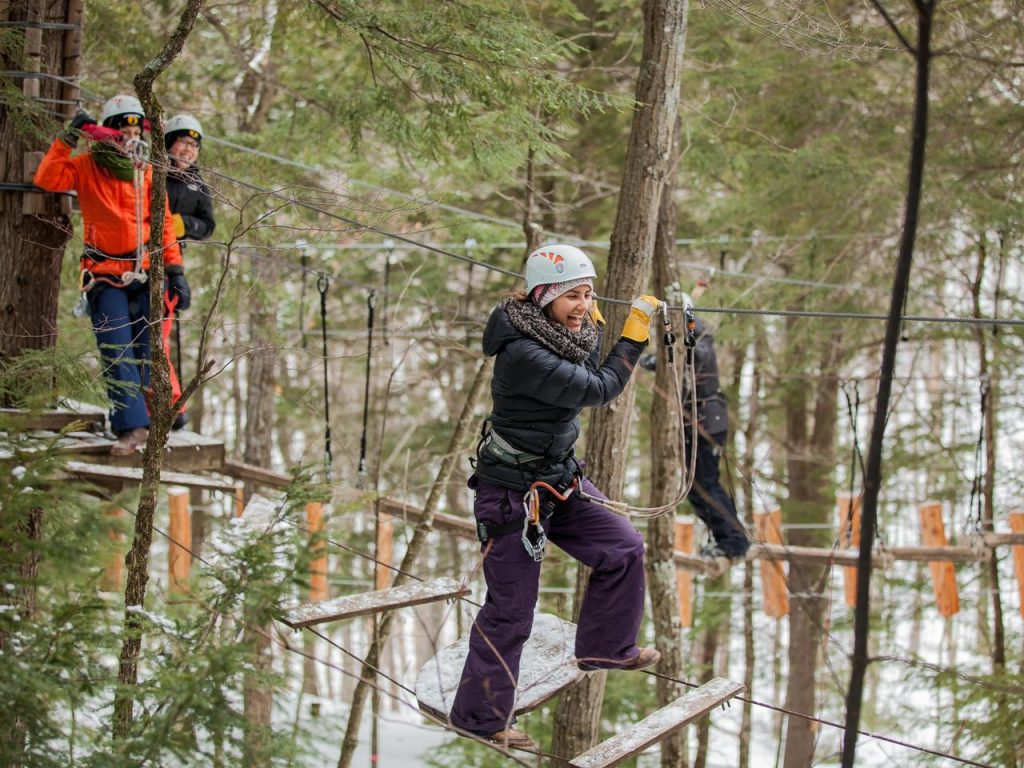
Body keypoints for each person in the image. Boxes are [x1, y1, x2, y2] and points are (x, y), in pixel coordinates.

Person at [449, 244, 662, 751]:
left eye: (587, 294)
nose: (583, 306)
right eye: (570, 296)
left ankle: (606, 649)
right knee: (511, 611)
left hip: (558, 482)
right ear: (541, 297)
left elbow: (586, 355)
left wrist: (597, 325)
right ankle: (478, 715)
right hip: (510, 496)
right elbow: (600, 387)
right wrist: (631, 337)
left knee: (624, 547)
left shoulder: (560, 333)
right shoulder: (523, 353)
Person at [34, 94, 190, 456]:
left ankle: (161, 416)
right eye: (122, 126)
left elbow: (163, 225)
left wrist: (176, 271)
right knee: (117, 350)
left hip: (148, 272)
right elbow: (48, 177)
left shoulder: (147, 171)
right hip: (104, 275)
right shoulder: (87, 166)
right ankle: (132, 426)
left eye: (135, 127)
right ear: (108, 130)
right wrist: (68, 138)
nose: (129, 135)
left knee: (150, 348)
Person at [640, 279, 750, 559]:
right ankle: (730, 538)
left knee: (704, 486)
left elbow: (678, 357)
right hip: (706, 419)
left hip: (704, 420)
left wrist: (646, 359)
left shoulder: (695, 340)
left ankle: (733, 540)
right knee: (699, 487)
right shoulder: (692, 336)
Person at [162, 113, 215, 430]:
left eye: (193, 146)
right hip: (143, 255)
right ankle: (163, 403)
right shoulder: (153, 174)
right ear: (170, 143)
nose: (188, 150)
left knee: (160, 333)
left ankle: (170, 404)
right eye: (183, 142)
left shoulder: (197, 184)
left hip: (172, 258)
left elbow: (208, 226)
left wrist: (184, 226)